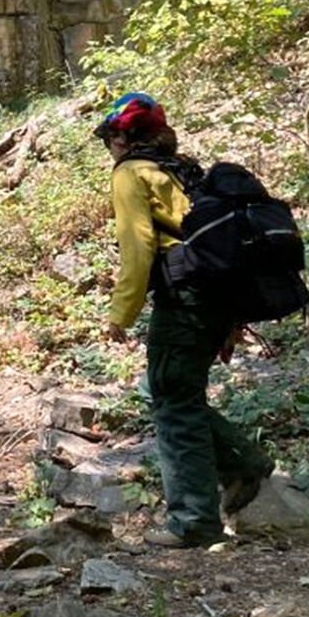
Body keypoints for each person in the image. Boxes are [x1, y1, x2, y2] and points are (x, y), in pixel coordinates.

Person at [95, 93, 273, 548]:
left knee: (173, 401)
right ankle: (244, 464)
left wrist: (121, 313)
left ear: (123, 138)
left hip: (185, 301)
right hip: (219, 299)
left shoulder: (131, 174)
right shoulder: (185, 172)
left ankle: (193, 521)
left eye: (111, 139)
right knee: (174, 391)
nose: (110, 148)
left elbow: (137, 248)